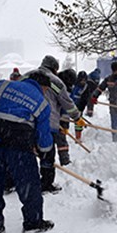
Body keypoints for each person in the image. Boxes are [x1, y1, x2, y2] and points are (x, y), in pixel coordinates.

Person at [0, 71, 55, 233]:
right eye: (46, 90)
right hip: (19, 148)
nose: (45, 93)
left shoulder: (4, 85)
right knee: (29, 185)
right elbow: (44, 139)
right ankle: (33, 222)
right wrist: (43, 151)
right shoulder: (42, 103)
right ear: (43, 87)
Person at [24, 55, 86, 194]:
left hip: (25, 122)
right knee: (47, 153)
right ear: (54, 68)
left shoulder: (26, 75)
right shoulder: (56, 81)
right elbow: (67, 103)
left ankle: (20, 181)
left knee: (24, 152)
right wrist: (77, 117)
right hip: (47, 121)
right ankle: (46, 184)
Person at [56, 68, 78, 165]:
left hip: (63, 117)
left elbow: (68, 104)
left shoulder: (68, 87)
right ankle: (48, 162)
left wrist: (66, 122)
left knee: (62, 138)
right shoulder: (56, 85)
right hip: (53, 116)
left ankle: (64, 160)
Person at [70, 71, 89, 141]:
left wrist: (80, 109)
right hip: (70, 105)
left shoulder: (85, 88)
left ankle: (78, 136)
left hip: (79, 107)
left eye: (84, 80)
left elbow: (85, 99)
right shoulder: (74, 85)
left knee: (78, 122)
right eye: (81, 80)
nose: (83, 82)